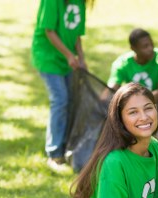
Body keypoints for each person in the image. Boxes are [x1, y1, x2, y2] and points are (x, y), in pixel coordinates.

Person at [31, 0, 93, 172]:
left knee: (72, 100)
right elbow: (49, 31)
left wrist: (81, 57)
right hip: (48, 58)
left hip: (67, 61)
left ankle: (67, 146)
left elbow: (76, 35)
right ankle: (54, 153)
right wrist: (68, 55)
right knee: (60, 100)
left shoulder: (80, 2)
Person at [107, 28, 158, 160]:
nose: (150, 49)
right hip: (140, 109)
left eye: (151, 44)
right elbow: (111, 90)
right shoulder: (122, 63)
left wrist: (141, 102)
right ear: (133, 48)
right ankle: (154, 139)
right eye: (145, 46)